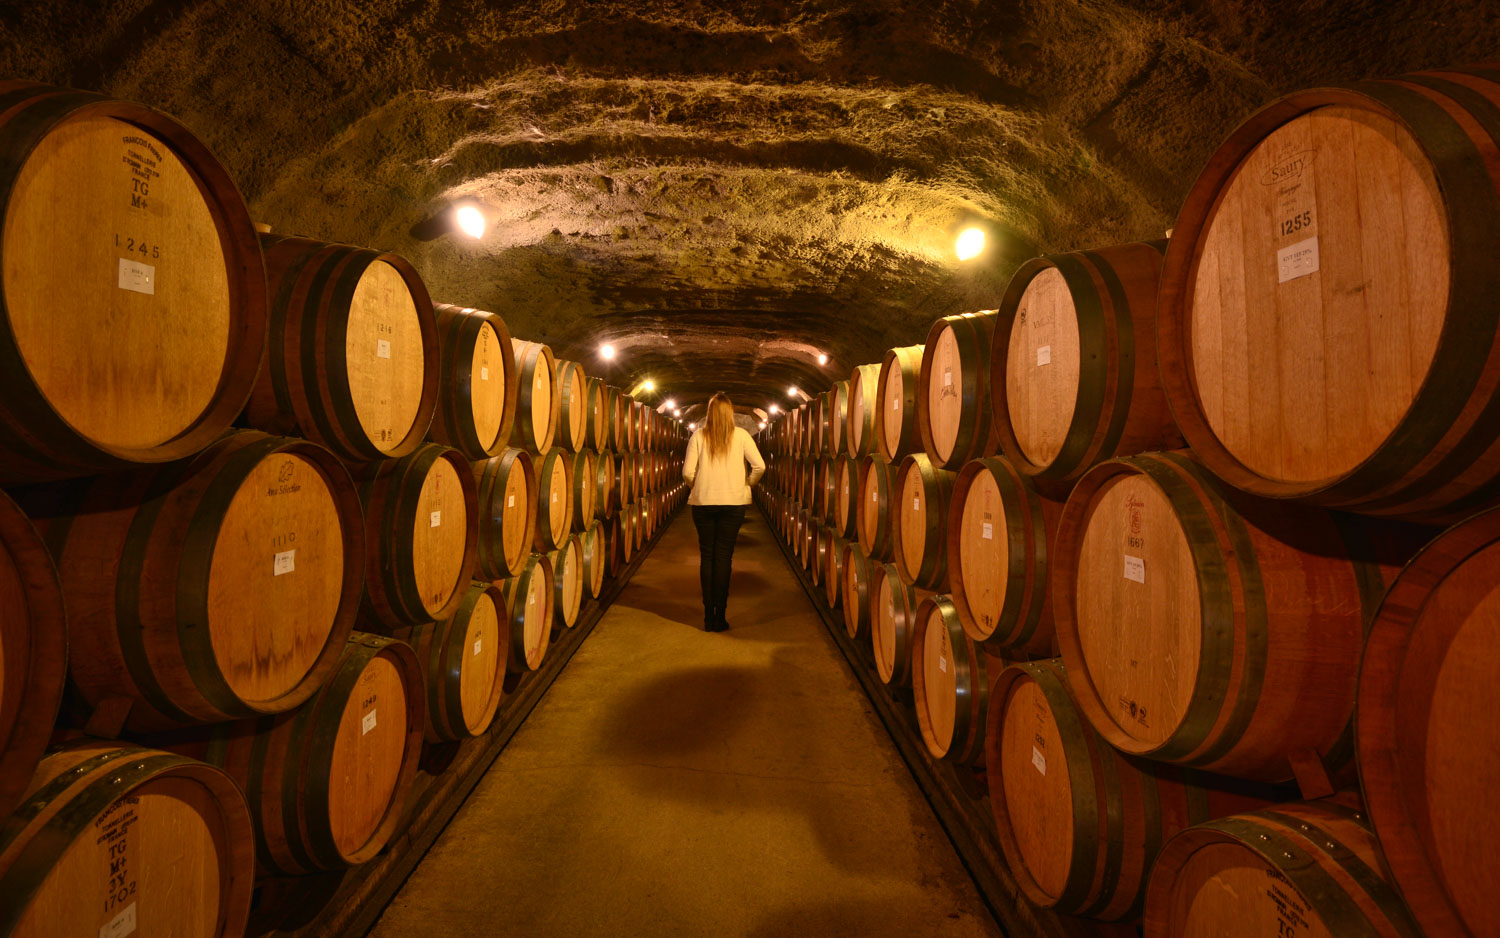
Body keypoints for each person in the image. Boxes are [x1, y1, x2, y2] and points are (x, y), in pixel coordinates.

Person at [682, 392, 765, 632]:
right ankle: (721, 615)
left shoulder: (698, 436)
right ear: (730, 413)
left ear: (709, 413)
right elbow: (760, 466)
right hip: (734, 504)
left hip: (703, 503)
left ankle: (708, 616)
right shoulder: (742, 436)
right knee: (724, 557)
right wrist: (747, 483)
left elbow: (687, 472)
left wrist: (698, 486)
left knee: (707, 556)